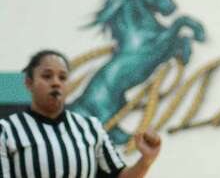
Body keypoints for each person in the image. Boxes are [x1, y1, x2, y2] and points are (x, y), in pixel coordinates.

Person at [0, 50, 162, 178]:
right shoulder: (7, 130)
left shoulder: (91, 127)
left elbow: (119, 176)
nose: (56, 82)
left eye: (62, 77)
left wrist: (146, 160)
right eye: (47, 76)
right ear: (29, 83)